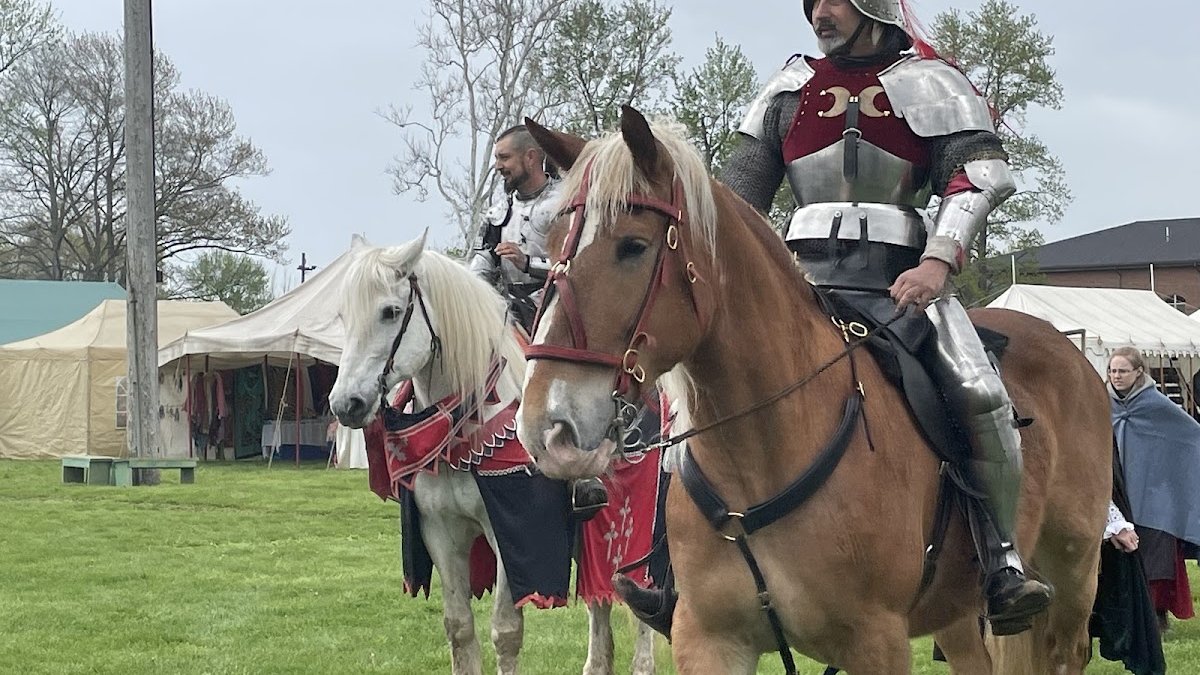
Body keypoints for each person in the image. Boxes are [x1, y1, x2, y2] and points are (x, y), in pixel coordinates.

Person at [624, 0, 1051, 637]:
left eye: (834, 0)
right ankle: (668, 568)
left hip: (903, 281)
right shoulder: (788, 89)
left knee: (980, 390)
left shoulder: (932, 81)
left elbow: (980, 175)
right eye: (811, 2)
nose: (819, 12)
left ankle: (1000, 562)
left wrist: (938, 261)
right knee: (691, 395)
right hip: (802, 284)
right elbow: (736, 203)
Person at [468, 124, 609, 517]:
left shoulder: (565, 202)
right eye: (497, 159)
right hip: (504, 311)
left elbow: (579, 264)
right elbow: (482, 258)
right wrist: (473, 292)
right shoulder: (500, 210)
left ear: (530, 157)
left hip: (554, 311)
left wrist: (526, 263)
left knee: (570, 384)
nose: (498, 167)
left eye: (503, 159)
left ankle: (584, 471)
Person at [1109, 346, 1200, 634]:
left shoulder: (1157, 405)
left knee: (1155, 555)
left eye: (1123, 370)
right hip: (1117, 494)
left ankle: (1157, 617)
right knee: (1117, 554)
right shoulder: (1102, 404)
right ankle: (1121, 617)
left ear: (1138, 372)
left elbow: (1189, 435)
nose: (1116, 376)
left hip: (1155, 495)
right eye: (1112, 370)